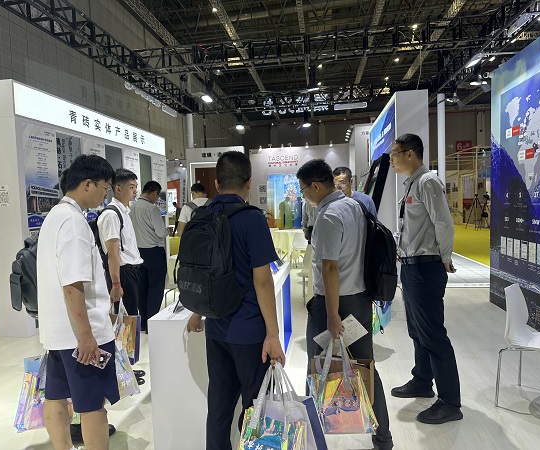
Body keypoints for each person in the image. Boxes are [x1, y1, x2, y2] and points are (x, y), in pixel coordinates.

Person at [186, 151, 286, 450]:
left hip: (216, 327)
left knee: (219, 405)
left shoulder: (202, 215)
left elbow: (199, 270)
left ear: (217, 184)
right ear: (249, 183)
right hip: (249, 330)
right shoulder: (252, 218)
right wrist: (273, 334)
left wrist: (197, 311)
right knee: (256, 404)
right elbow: (262, 280)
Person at [298, 159, 393, 450]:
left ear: (315, 186)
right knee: (366, 368)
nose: (304, 196)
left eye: (304, 190)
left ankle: (312, 439)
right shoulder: (355, 206)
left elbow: (330, 269)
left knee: (317, 369)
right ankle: (383, 439)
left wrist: (331, 314)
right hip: (360, 301)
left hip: (334, 304)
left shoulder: (328, 216)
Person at [37, 154, 119, 450]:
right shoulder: (74, 223)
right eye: (105, 187)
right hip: (80, 335)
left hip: (57, 332)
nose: (105, 195)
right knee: (92, 404)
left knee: (56, 396)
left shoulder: (54, 216)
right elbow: (72, 285)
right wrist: (86, 336)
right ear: (87, 184)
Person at [389, 133, 462, 425]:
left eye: (395, 154)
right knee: (417, 331)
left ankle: (450, 402)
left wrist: (445, 257)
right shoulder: (411, 183)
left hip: (426, 266)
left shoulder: (428, 181)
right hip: (411, 266)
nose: (392, 160)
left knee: (432, 334)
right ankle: (422, 380)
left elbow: (443, 222)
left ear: (410, 154)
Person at [97, 169, 143, 316]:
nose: (135, 191)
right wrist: (116, 284)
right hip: (123, 273)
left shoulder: (124, 212)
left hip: (132, 271)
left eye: (136, 187)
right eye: (131, 187)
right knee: (125, 319)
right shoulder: (111, 215)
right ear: (118, 189)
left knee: (132, 316)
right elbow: (113, 253)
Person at [130, 180, 169, 332]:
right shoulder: (152, 209)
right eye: (157, 196)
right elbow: (160, 232)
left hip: (138, 252)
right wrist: (167, 231)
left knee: (142, 288)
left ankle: (143, 322)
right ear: (154, 193)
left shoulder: (132, 208)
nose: (157, 199)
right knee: (156, 288)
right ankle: (152, 323)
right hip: (154, 252)